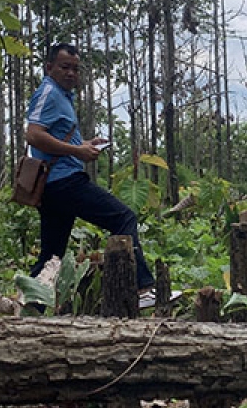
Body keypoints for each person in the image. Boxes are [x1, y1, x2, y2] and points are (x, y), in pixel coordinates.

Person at [26, 43, 160, 309]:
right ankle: (142, 287)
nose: (71, 73)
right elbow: (33, 134)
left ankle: (29, 306)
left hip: (55, 186)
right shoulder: (49, 92)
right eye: (65, 67)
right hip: (64, 182)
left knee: (52, 257)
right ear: (49, 67)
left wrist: (85, 143)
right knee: (123, 218)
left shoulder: (63, 96)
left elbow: (52, 136)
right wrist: (78, 150)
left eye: (76, 69)